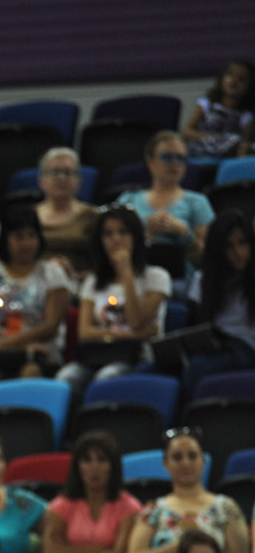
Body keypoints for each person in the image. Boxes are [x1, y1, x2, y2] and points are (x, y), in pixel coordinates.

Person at [57, 204, 172, 394]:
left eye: (123, 232)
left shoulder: (156, 277)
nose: (116, 239)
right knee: (66, 377)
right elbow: (84, 333)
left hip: (136, 358)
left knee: (107, 377)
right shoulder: (94, 281)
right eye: (108, 234)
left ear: (136, 237)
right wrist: (135, 336)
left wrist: (126, 274)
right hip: (98, 355)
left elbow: (135, 321)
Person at [34, 432, 142, 553]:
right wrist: (99, 552)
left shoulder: (130, 508)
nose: (94, 468)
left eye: (101, 460)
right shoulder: (61, 505)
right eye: (86, 460)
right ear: (77, 466)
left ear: (113, 467)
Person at [127, 429, 250, 553]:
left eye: (192, 456)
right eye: (177, 457)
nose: (185, 463)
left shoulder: (226, 507)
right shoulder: (153, 509)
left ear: (203, 462)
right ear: (166, 464)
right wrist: (175, 550)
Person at [0, 207, 72, 398]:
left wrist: (9, 343)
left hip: (40, 349)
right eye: (18, 237)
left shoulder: (52, 274)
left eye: (31, 236)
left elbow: (51, 326)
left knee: (29, 372)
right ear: (5, 240)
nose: (26, 243)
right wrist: (11, 344)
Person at [118, 131, 215, 283]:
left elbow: (210, 258)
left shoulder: (197, 202)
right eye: (167, 157)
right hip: (135, 275)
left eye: (181, 158)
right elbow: (113, 247)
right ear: (150, 162)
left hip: (180, 280)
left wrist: (185, 234)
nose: (175, 163)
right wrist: (145, 233)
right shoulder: (129, 199)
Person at [185, 210, 255, 392]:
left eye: (243, 243)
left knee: (197, 368)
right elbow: (197, 327)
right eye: (229, 247)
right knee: (151, 368)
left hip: (247, 346)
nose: (239, 253)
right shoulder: (203, 280)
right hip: (215, 344)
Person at [34, 148, 99, 279]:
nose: (62, 178)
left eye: (68, 173)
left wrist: (73, 275)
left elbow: (104, 266)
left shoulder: (93, 216)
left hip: (81, 287)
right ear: (41, 180)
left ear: (79, 180)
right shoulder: (28, 216)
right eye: (54, 173)